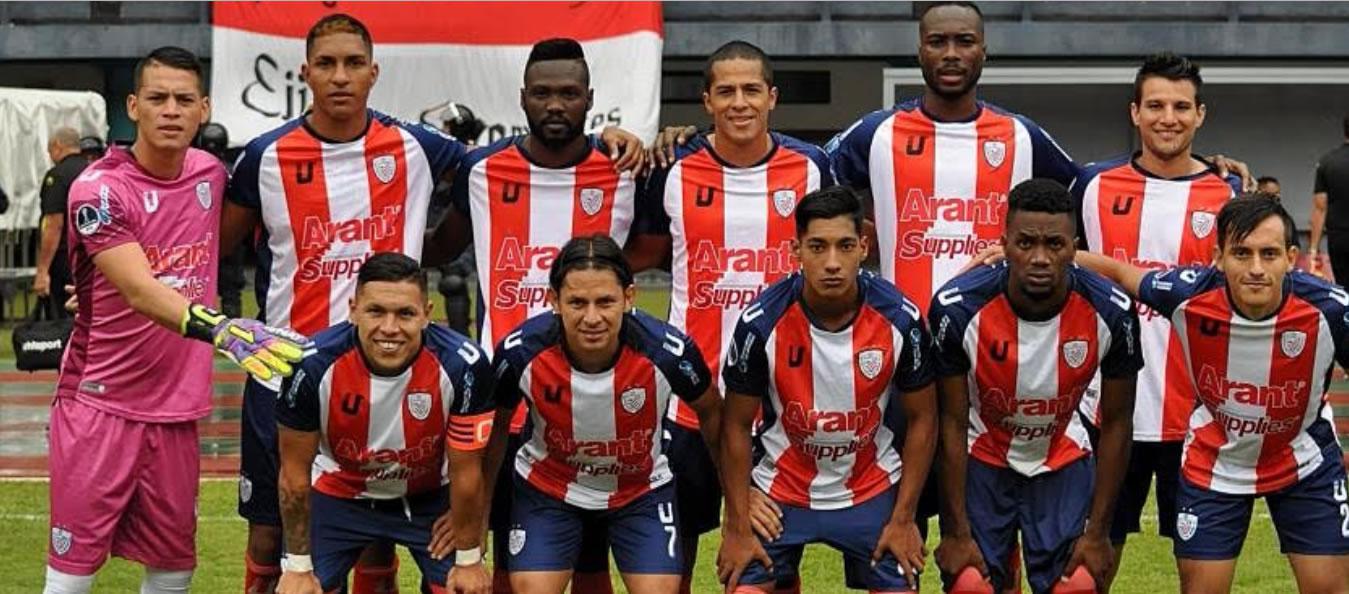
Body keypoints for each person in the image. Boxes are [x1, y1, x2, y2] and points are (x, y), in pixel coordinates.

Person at [225, 18, 647, 593]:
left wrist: (624, 140)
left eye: (353, 64)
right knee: (272, 537)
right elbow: (217, 247)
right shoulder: (262, 157)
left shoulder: (422, 148)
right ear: (305, 73)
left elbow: (530, 160)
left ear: (375, 73)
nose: (341, 77)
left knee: (389, 529)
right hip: (292, 368)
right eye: (326, 64)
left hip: (401, 369)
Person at [43, 46, 309, 594]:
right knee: (73, 572)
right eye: (158, 98)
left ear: (204, 109)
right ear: (133, 106)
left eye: (184, 99)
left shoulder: (211, 173)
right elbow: (140, 289)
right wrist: (224, 328)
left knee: (173, 569)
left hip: (176, 411)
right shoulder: (99, 189)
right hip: (101, 404)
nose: (171, 110)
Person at [424, 38, 645, 594]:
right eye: (542, 93)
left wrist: (656, 139)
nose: (555, 104)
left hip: (593, 392)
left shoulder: (624, 169)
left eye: (568, 93)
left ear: (590, 99)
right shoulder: (478, 169)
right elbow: (437, 248)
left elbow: (659, 249)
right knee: (500, 554)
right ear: (522, 98)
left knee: (591, 556)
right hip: (503, 392)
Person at [624, 39, 834, 592]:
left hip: (779, 401)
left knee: (768, 558)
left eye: (750, 90)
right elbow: (639, 253)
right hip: (691, 399)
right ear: (707, 101)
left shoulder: (812, 168)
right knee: (676, 563)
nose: (739, 102)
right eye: (726, 91)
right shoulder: (671, 170)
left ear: (772, 97)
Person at [1074, 196, 1349, 593]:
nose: (1256, 268)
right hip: (1215, 461)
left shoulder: (1331, 310)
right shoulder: (1188, 293)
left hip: (1304, 460)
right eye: (1242, 253)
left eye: (1269, 254)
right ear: (1218, 257)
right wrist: (1034, 254)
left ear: (1291, 258)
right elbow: (1120, 272)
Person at [1070, 52, 1241, 584]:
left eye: (1182, 106)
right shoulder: (1092, 185)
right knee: (1087, 566)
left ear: (1201, 116)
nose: (1169, 117)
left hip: (1195, 416)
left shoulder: (1230, 193)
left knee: (1200, 573)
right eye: (1157, 105)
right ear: (1135, 112)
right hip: (1105, 410)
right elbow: (1046, 250)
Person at [717, 185, 937, 593]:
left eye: (844, 245)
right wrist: (737, 515)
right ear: (795, 250)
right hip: (781, 489)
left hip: (871, 486)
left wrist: (904, 518)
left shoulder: (901, 319)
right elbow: (734, 425)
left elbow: (924, 418)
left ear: (863, 247)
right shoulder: (759, 323)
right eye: (817, 246)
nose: (832, 262)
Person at [929, 179, 1142, 594]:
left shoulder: (1112, 311)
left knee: (1077, 586)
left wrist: (1098, 534)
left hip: (1061, 454)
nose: (1040, 258)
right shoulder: (957, 309)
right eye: (1025, 244)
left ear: (1074, 247)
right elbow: (950, 422)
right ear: (1004, 244)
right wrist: (955, 532)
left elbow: (1117, 421)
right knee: (970, 585)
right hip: (984, 455)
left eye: (1055, 245)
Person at [485, 234, 721, 594]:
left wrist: (738, 505)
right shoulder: (520, 352)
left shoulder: (668, 352)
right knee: (531, 588)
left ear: (628, 298)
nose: (591, 317)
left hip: (640, 489)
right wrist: (473, 522)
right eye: (577, 302)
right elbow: (496, 428)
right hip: (549, 488)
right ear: (554, 300)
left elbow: (713, 413)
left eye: (605, 301)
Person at [273, 253, 496, 594]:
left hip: (429, 499)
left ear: (426, 315)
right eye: (376, 311)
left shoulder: (463, 366)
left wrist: (468, 559)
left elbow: (468, 471)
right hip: (339, 496)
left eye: (405, 313)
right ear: (353, 310)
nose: (389, 328)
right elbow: (293, 474)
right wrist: (298, 567)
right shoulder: (311, 366)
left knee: (465, 589)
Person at [35, 127, 88, 319]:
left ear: (57, 146)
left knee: (63, 319)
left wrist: (42, 271)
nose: (50, 155)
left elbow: (53, 224)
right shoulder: (93, 170)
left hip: (65, 259)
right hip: (93, 258)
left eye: (50, 151)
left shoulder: (57, 176)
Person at [1309, 114, 1349, 283]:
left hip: (1339, 239)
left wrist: (1313, 249)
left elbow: (1320, 208)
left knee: (1345, 289)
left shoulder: (1327, 162)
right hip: (1339, 236)